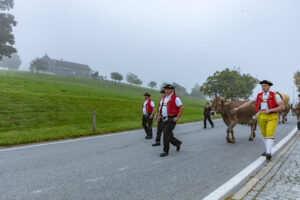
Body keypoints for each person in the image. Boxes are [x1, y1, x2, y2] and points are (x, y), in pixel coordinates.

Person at [232, 80, 285, 160]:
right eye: (262, 86)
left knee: (269, 133)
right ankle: (268, 150)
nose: (263, 87)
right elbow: (249, 103)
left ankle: (268, 152)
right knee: (264, 134)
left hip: (272, 116)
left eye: (265, 85)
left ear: (269, 86)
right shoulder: (258, 95)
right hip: (261, 116)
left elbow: (282, 107)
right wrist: (238, 108)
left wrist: (270, 110)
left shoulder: (275, 95)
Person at [158, 84, 184, 157]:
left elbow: (181, 108)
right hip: (164, 118)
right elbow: (161, 108)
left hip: (172, 119)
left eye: (167, 89)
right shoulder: (164, 98)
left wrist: (177, 117)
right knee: (168, 134)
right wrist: (159, 116)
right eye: (165, 89)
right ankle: (177, 143)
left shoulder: (175, 98)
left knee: (166, 134)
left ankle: (165, 151)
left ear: (171, 90)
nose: (166, 90)